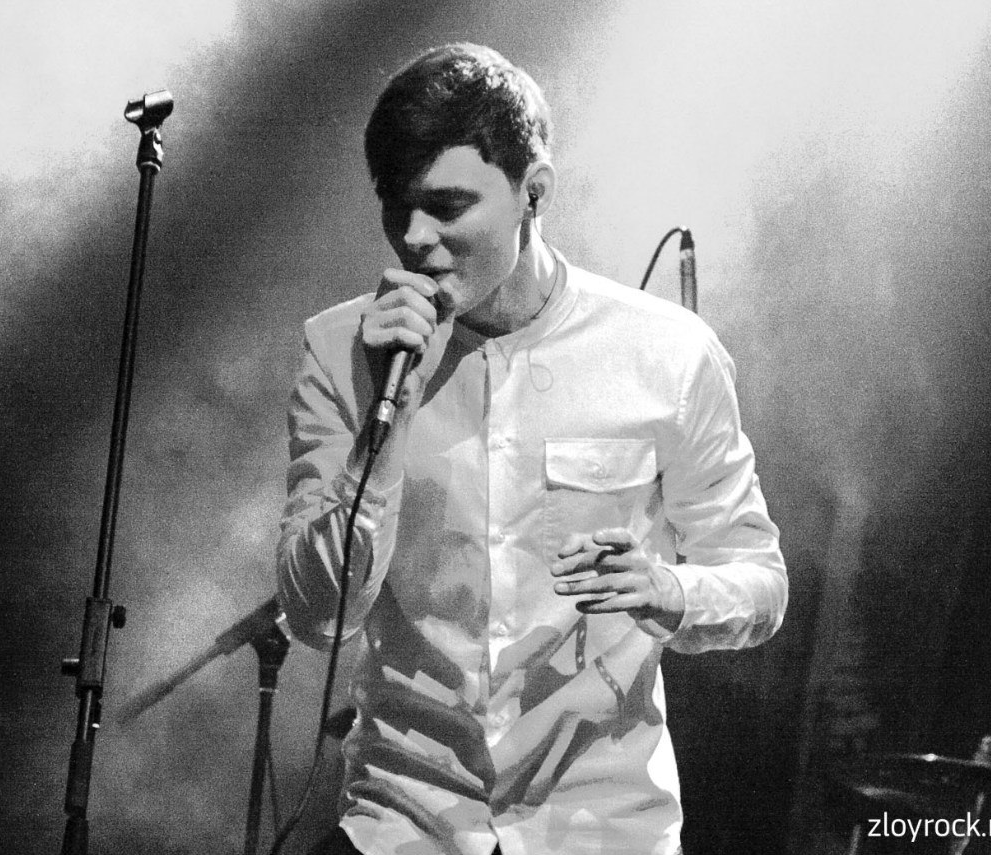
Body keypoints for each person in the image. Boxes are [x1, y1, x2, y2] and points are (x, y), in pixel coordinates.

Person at [276, 43, 787, 855]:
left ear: (534, 192)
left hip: (601, 827)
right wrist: (387, 416)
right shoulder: (344, 350)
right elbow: (315, 616)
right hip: (404, 822)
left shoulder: (666, 353)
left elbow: (761, 583)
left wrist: (669, 589)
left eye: (447, 206)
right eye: (396, 208)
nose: (414, 237)